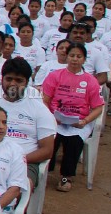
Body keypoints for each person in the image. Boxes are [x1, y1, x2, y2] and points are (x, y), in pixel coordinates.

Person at [41, 42, 105, 192]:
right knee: (49, 138)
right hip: (55, 119)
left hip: (79, 122)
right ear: (66, 57)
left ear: (84, 59)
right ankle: (44, 171)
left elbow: (98, 108)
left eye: (79, 56)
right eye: (71, 55)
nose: (74, 59)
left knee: (74, 141)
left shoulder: (91, 81)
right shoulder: (55, 75)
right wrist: (50, 116)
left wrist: (85, 121)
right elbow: (45, 100)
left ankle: (66, 176)